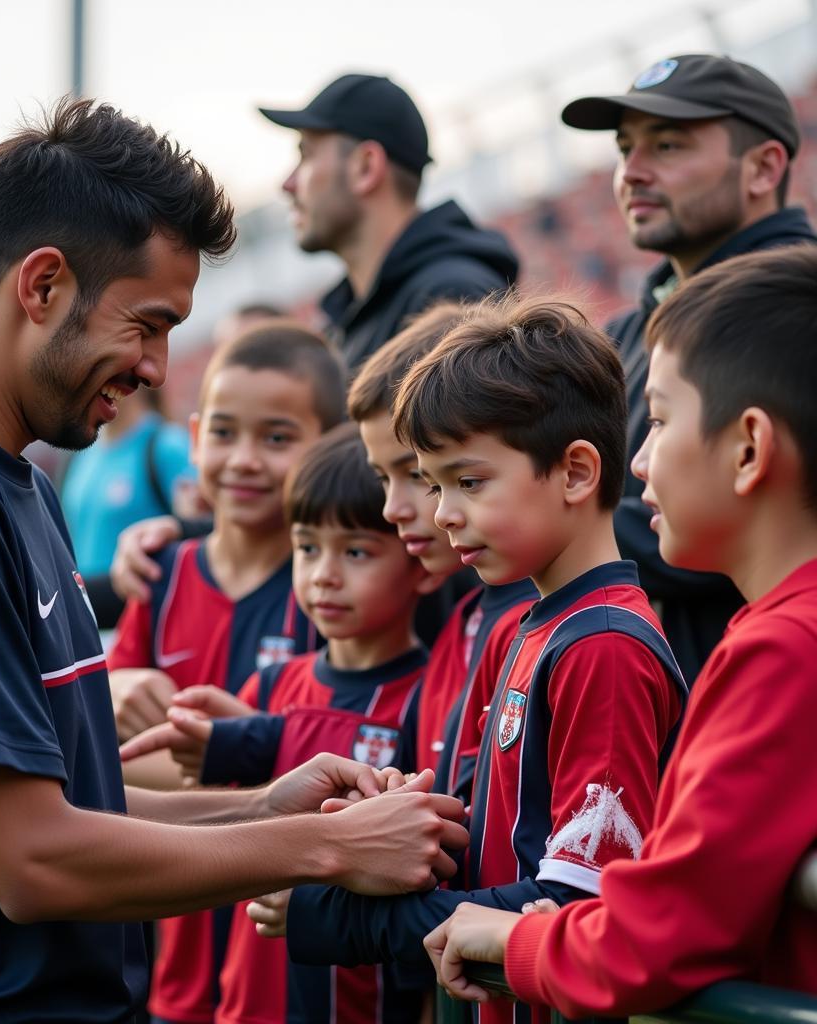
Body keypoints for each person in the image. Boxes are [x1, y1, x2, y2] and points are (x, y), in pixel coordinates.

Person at [0, 97, 470, 1023]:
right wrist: (328, 853)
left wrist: (272, 809)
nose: (157, 367)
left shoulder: (3, 481)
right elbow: (34, 863)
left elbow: (74, 811)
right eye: (147, 324)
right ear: (42, 285)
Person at [423, 245, 817, 1013]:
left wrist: (520, 942)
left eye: (660, 420)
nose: (636, 461)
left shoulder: (782, 649)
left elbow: (665, 933)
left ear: (748, 449)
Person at [278, 295, 688, 1024]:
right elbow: (507, 855)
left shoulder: (602, 648)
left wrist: (341, 918)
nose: (441, 513)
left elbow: (578, 904)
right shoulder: (533, 628)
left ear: (575, 473)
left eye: (467, 482)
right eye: (434, 485)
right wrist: (391, 843)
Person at [126, 422, 441, 1023]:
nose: (323, 574)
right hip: (244, 999)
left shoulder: (425, 696)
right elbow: (226, 819)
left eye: (355, 552)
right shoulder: (270, 688)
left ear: (421, 563)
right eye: (307, 547)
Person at [105, 321, 345, 1024]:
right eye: (225, 433)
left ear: (328, 446)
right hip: (172, 964)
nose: (244, 460)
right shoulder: (162, 574)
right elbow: (103, 764)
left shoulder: (334, 596)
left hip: (283, 966)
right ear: (195, 433)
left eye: (276, 438)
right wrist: (116, 693)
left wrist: (196, 760)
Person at [560, 52, 817, 681]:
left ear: (762, 167)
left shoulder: (794, 308)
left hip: (772, 686)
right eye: (625, 148)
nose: (632, 172)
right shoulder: (627, 329)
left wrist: (529, 520)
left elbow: (724, 510)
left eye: (668, 146)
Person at [347, 302, 536, 796]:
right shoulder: (465, 619)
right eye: (380, 478)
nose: (392, 508)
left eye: (415, 475)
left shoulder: (528, 626)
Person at [258, 73, 519, 369]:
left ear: (366, 167)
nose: (287, 183)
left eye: (306, 155)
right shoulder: (350, 318)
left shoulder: (450, 300)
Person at [60, 384, 192, 624]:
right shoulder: (79, 457)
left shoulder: (168, 445)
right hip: (89, 627)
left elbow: (196, 533)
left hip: (141, 623)